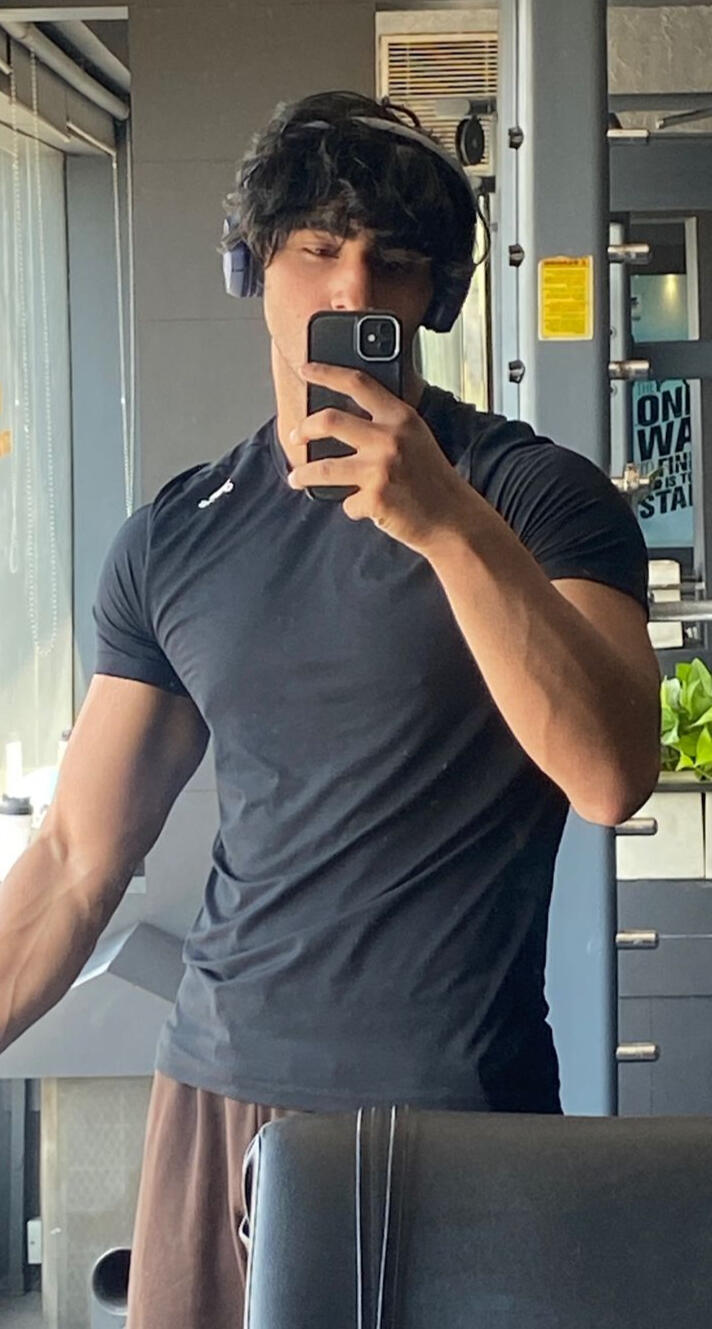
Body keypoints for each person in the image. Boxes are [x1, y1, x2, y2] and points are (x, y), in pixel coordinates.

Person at [0, 90, 660, 1329]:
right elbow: (79, 857)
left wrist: (448, 527)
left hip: (450, 1108)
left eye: (392, 261)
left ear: (434, 299)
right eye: (316, 247)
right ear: (254, 267)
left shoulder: (536, 498)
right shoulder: (176, 535)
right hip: (213, 1098)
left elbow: (610, 772)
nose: (352, 286)